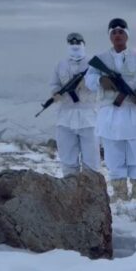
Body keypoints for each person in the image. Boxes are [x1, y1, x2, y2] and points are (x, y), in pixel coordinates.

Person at [85, 18, 136, 202]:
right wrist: (101, 81)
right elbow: (89, 79)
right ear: (110, 36)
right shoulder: (100, 59)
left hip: (133, 113)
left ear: (127, 35)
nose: (117, 35)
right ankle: (119, 193)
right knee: (113, 153)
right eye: (114, 32)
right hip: (110, 113)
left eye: (121, 32)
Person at [49, 32, 100, 177]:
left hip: (88, 116)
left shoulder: (93, 64)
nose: (75, 45)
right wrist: (56, 93)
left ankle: (92, 192)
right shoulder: (60, 65)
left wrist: (88, 84)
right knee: (68, 159)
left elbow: (101, 85)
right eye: (71, 43)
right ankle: (71, 191)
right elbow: (53, 84)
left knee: (91, 161)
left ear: (84, 44)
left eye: (78, 42)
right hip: (65, 117)